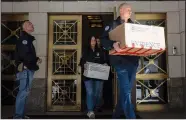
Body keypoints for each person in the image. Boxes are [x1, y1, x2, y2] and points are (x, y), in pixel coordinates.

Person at [100, 3, 140, 119]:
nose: (130, 12)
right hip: (120, 62)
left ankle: (116, 116)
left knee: (125, 91)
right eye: (128, 10)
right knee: (126, 92)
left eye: (131, 10)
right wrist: (112, 44)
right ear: (121, 10)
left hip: (133, 62)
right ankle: (131, 117)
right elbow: (103, 40)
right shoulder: (112, 25)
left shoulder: (134, 26)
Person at [13, 20, 42, 119]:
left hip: (28, 68)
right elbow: (24, 55)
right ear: (24, 27)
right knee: (23, 93)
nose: (32, 25)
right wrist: (32, 62)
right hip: (25, 70)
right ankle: (18, 117)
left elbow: (28, 54)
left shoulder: (28, 39)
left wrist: (36, 59)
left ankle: (21, 115)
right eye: (29, 24)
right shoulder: (24, 39)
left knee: (25, 93)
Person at [79, 36, 107, 119]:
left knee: (97, 93)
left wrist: (105, 64)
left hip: (98, 75)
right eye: (91, 40)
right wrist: (84, 65)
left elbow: (104, 60)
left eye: (94, 40)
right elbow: (81, 61)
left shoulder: (100, 50)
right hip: (88, 75)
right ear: (89, 41)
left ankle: (97, 106)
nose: (93, 41)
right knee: (90, 92)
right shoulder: (85, 50)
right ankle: (90, 111)